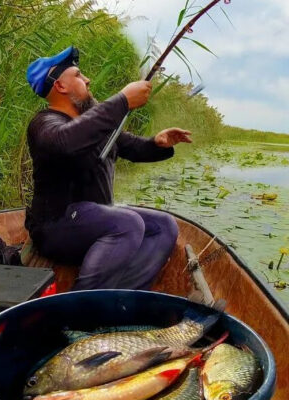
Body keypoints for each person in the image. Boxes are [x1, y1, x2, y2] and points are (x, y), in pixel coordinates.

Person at [23, 46, 192, 290]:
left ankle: (122, 298)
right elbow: (66, 142)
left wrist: (158, 143)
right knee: (127, 223)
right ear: (60, 86)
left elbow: (131, 146)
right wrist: (122, 101)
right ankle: (80, 308)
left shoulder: (91, 125)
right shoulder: (44, 124)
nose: (87, 79)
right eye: (79, 75)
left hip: (95, 222)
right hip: (56, 227)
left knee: (163, 226)